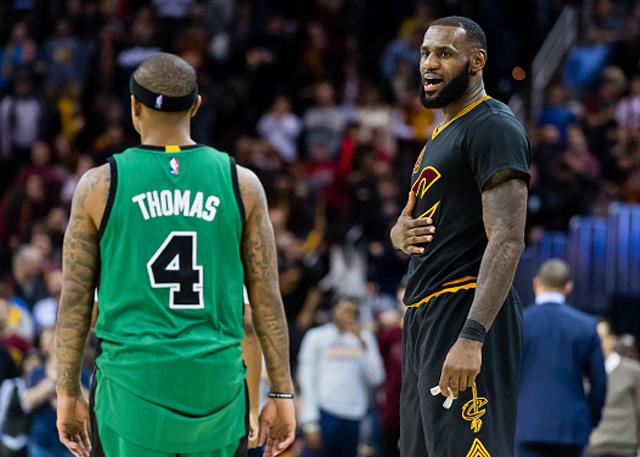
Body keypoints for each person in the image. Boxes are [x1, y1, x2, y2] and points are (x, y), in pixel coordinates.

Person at [55, 53, 296, 457]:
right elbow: (265, 301)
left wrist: (66, 392)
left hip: (130, 393)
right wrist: (281, 392)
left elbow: (75, 300)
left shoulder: (98, 185)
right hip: (215, 392)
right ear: (196, 106)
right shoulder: (243, 185)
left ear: (134, 107)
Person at [389, 16, 531, 457]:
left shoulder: (493, 126)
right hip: (424, 315)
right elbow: (427, 219)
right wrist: (398, 234)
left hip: (463, 308)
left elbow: (508, 238)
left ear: (477, 62)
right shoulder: (440, 133)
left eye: (445, 54)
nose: (430, 63)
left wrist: (472, 336)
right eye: (426, 53)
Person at [516, 259, 607, 457]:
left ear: (535, 283)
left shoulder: (519, 323)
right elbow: (599, 380)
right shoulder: (587, 325)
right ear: (568, 287)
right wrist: (592, 417)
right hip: (572, 427)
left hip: (526, 424)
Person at [297, 297, 385, 457]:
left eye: (353, 312)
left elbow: (377, 378)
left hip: (354, 415)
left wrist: (362, 345)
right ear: (334, 311)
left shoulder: (364, 339)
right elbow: (306, 379)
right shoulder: (317, 336)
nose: (348, 316)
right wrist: (309, 422)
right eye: (345, 310)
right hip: (325, 413)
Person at [587, 318, 640, 457]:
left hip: (624, 446)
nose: (598, 344)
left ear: (612, 340)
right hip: (592, 447)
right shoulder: (584, 372)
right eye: (594, 339)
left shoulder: (633, 371)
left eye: (602, 338)